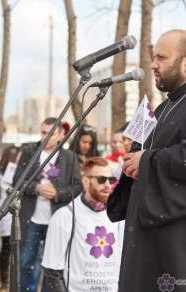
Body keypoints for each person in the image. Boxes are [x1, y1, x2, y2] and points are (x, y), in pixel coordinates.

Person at [107, 29, 186, 292]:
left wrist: (147, 160)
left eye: (161, 57)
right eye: (153, 57)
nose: (153, 65)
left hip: (174, 241)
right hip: (143, 236)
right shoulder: (162, 109)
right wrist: (133, 160)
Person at [13, 117, 83, 292]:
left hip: (56, 220)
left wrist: (58, 193)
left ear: (60, 135)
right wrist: (37, 188)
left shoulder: (69, 156)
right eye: (44, 132)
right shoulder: (29, 153)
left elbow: (78, 187)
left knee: (52, 265)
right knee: (25, 263)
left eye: (51, 133)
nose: (46, 137)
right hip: (32, 219)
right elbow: (17, 182)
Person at [42, 157, 123, 292]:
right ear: (86, 181)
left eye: (111, 180)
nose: (108, 185)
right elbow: (52, 271)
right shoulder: (65, 216)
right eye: (101, 179)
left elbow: (124, 264)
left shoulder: (118, 217)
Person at [0, 145, 22, 291]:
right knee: (7, 247)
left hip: (17, 214)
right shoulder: (3, 174)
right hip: (6, 215)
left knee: (14, 248)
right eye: (17, 158)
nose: (19, 161)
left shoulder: (17, 172)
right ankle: (4, 280)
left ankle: (12, 278)